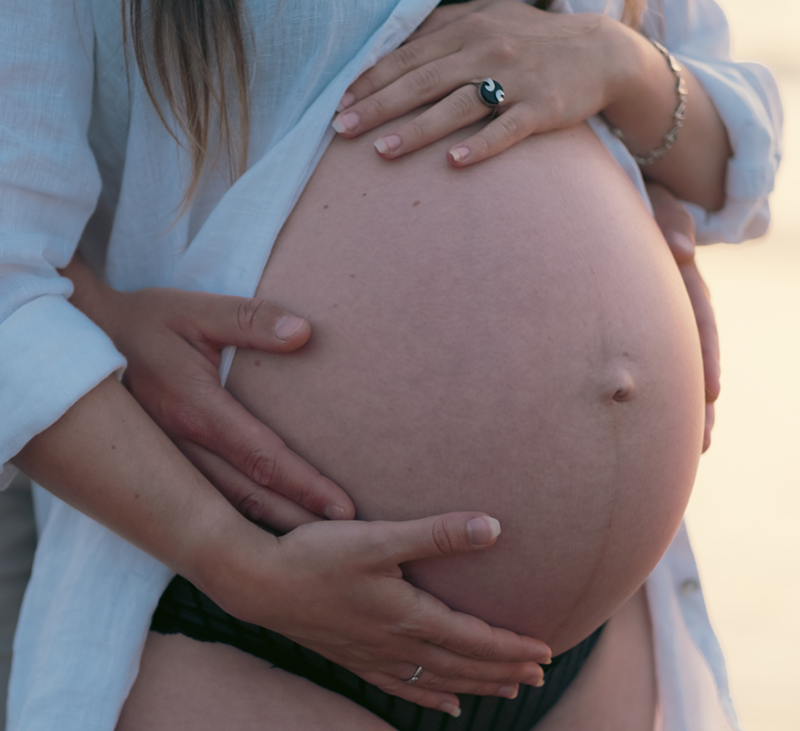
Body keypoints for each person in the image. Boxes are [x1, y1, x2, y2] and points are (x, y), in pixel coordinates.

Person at [0, 0, 781, 729]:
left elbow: (730, 160)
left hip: (602, 641)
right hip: (247, 611)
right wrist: (232, 560)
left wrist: (623, 65)